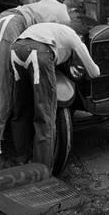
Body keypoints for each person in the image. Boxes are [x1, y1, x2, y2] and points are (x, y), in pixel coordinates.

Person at [0, 0, 76, 161]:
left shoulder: (48, 2)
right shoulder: (65, 16)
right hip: (14, 24)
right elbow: (59, 39)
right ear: (73, 10)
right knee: (4, 81)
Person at [10, 22, 100, 172]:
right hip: (39, 52)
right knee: (45, 114)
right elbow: (94, 72)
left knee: (21, 108)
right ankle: (42, 168)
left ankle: (21, 158)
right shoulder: (74, 38)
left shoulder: (55, 29)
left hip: (16, 49)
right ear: (81, 36)